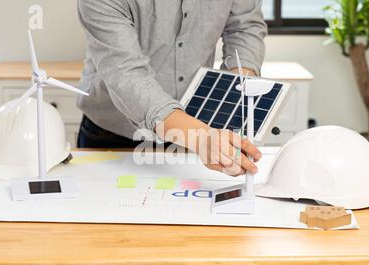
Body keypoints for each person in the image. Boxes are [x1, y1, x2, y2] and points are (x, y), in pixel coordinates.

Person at [77, 0, 267, 176]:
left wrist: (237, 91)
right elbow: (126, 73)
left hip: (198, 130)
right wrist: (200, 137)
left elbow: (244, 27)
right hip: (114, 135)